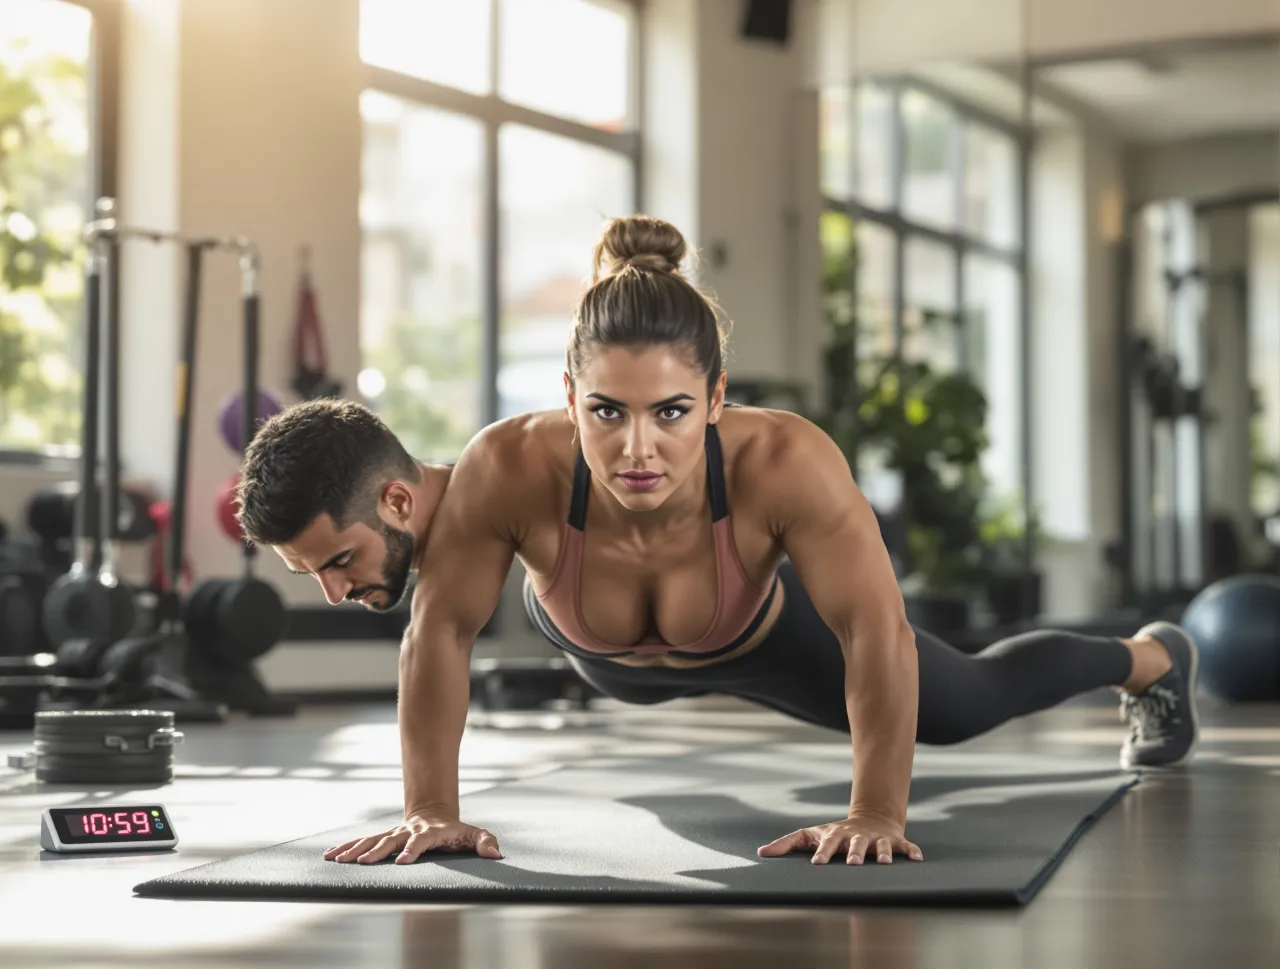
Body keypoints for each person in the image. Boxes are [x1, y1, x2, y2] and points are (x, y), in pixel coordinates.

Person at [237, 215, 1199, 870]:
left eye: (671, 411)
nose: (637, 446)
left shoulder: (785, 461)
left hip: (768, 640)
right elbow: (437, 634)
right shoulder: (509, 465)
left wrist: (875, 812)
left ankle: (1150, 655)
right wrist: (430, 810)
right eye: (607, 411)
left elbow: (874, 631)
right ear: (569, 398)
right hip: (607, 653)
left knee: (967, 699)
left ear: (718, 398)